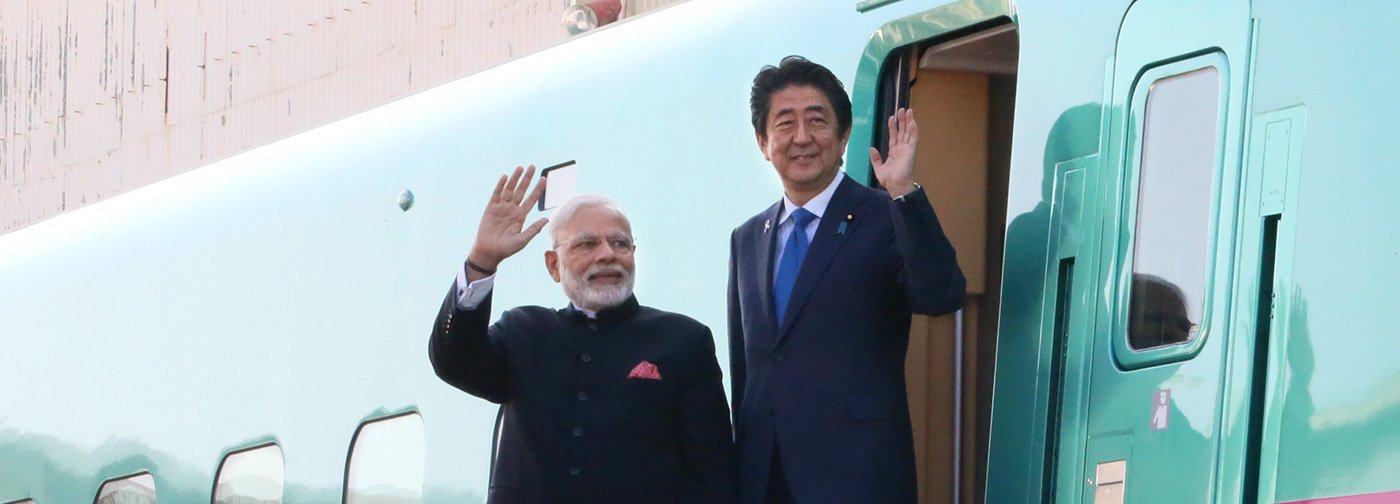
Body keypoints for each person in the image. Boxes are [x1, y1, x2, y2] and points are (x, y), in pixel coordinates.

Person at [727, 56, 966, 503]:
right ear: (763, 142)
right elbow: (749, 371)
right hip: (765, 477)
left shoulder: (885, 214)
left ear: (843, 136)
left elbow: (941, 294)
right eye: (785, 123)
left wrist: (903, 191)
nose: (801, 137)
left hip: (857, 475)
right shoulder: (748, 238)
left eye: (817, 121)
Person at [430, 166, 735, 503]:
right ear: (553, 265)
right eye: (587, 244)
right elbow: (454, 362)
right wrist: (482, 261)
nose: (607, 254)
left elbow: (714, 473)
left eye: (620, 244)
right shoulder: (524, 332)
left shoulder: (683, 340)